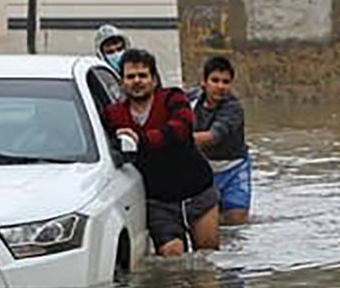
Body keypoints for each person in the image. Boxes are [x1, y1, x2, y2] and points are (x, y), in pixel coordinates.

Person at [101, 48, 220, 256]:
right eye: (130, 77)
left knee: (207, 257)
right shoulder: (113, 115)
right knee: (172, 255)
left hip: (197, 191)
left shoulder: (173, 98)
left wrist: (141, 139)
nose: (137, 81)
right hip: (158, 201)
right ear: (122, 82)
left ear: (154, 79)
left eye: (142, 75)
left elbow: (182, 128)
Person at [188, 56, 252, 226]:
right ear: (204, 82)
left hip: (234, 168)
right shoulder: (190, 100)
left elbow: (212, 137)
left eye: (225, 82)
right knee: (203, 218)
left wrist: (175, 139)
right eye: (215, 80)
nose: (220, 86)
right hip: (204, 168)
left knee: (235, 220)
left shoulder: (233, 108)